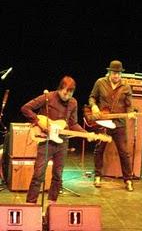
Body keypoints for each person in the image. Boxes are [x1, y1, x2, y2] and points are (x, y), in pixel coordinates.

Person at [21, 76, 96, 204]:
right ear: (60, 89)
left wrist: (86, 134)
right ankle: (30, 204)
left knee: (58, 175)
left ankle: (52, 204)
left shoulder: (73, 103)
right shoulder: (47, 97)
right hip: (46, 141)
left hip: (62, 141)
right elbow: (25, 108)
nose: (67, 96)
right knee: (38, 174)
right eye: (65, 93)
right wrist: (39, 122)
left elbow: (73, 124)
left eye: (70, 93)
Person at [88, 60, 136, 191]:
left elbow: (129, 104)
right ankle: (97, 175)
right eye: (114, 73)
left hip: (119, 124)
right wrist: (94, 106)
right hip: (104, 122)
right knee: (99, 149)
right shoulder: (100, 82)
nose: (116, 76)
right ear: (109, 72)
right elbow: (92, 97)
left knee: (124, 152)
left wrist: (130, 113)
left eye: (119, 73)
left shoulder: (126, 86)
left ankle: (128, 180)